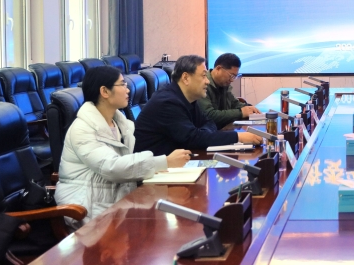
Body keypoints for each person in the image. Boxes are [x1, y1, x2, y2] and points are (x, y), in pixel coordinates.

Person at [55, 66, 191, 227]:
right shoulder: (82, 129)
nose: (128, 90)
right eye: (122, 84)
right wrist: (164, 162)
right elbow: (111, 167)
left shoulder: (119, 124)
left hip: (116, 200)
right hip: (88, 209)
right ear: (105, 91)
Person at [134, 55, 262, 156]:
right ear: (186, 78)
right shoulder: (167, 102)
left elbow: (209, 123)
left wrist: (202, 135)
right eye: (203, 76)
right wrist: (238, 137)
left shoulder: (189, 98)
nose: (207, 81)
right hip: (153, 171)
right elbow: (193, 138)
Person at [199, 53, 262, 129]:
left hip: (223, 129)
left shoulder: (223, 84)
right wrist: (241, 112)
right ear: (218, 69)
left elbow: (234, 103)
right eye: (231, 75)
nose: (232, 80)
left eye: (235, 76)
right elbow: (209, 115)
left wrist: (249, 108)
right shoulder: (202, 85)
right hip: (208, 132)